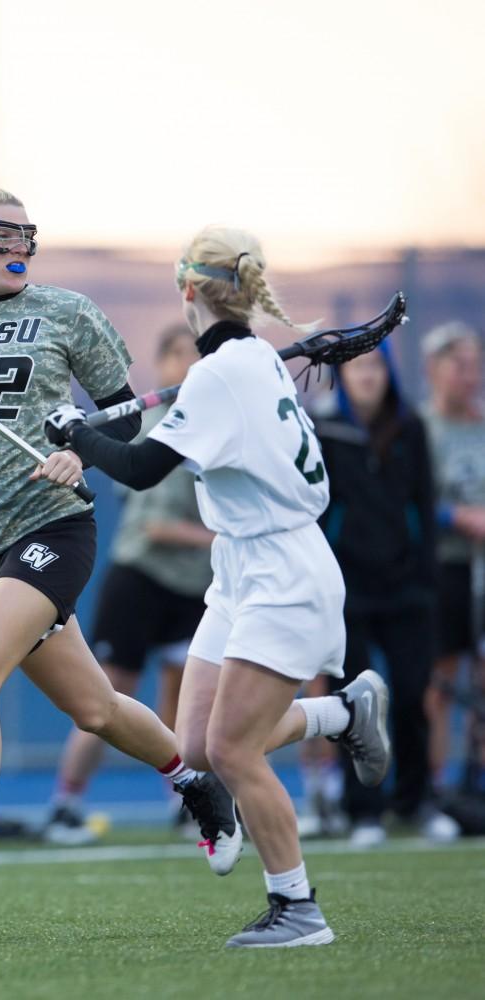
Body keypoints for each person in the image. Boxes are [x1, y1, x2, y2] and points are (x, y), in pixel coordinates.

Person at [0, 176, 241, 923]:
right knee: (95, 708)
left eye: (24, 234)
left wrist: (85, 452)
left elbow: (123, 419)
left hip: (53, 524)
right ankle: (196, 783)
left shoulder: (66, 312)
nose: (18, 247)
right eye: (0, 234)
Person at [43, 225, 392, 948]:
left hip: (282, 571)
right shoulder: (254, 360)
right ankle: (343, 713)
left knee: (235, 751)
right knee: (199, 745)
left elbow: (139, 469)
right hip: (238, 570)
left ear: (188, 291)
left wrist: (75, 433)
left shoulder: (225, 372)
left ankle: (297, 909)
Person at [45, 324, 214, 844]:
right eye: (177, 355)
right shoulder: (161, 428)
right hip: (141, 580)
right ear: (161, 365)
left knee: (182, 702)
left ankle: (185, 802)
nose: (186, 367)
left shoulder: (206, 425)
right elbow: (156, 526)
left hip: (192, 586)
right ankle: (66, 805)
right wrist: (222, 537)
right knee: (107, 699)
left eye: (196, 356)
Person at [315, 345, 459, 844]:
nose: (367, 376)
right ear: (342, 375)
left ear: (389, 373)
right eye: (357, 367)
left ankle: (415, 803)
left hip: (408, 591)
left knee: (414, 695)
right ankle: (365, 812)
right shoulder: (324, 430)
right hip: (348, 590)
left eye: (375, 365)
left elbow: (424, 501)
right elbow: (317, 510)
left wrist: (425, 579)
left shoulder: (411, 427)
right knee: (352, 704)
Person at [420, 322, 485, 798]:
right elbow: (411, 495)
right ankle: (434, 783)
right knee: (439, 679)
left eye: (474, 366)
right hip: (441, 567)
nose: (470, 376)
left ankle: (476, 777)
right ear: (434, 369)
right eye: (459, 366)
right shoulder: (420, 428)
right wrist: (457, 516)